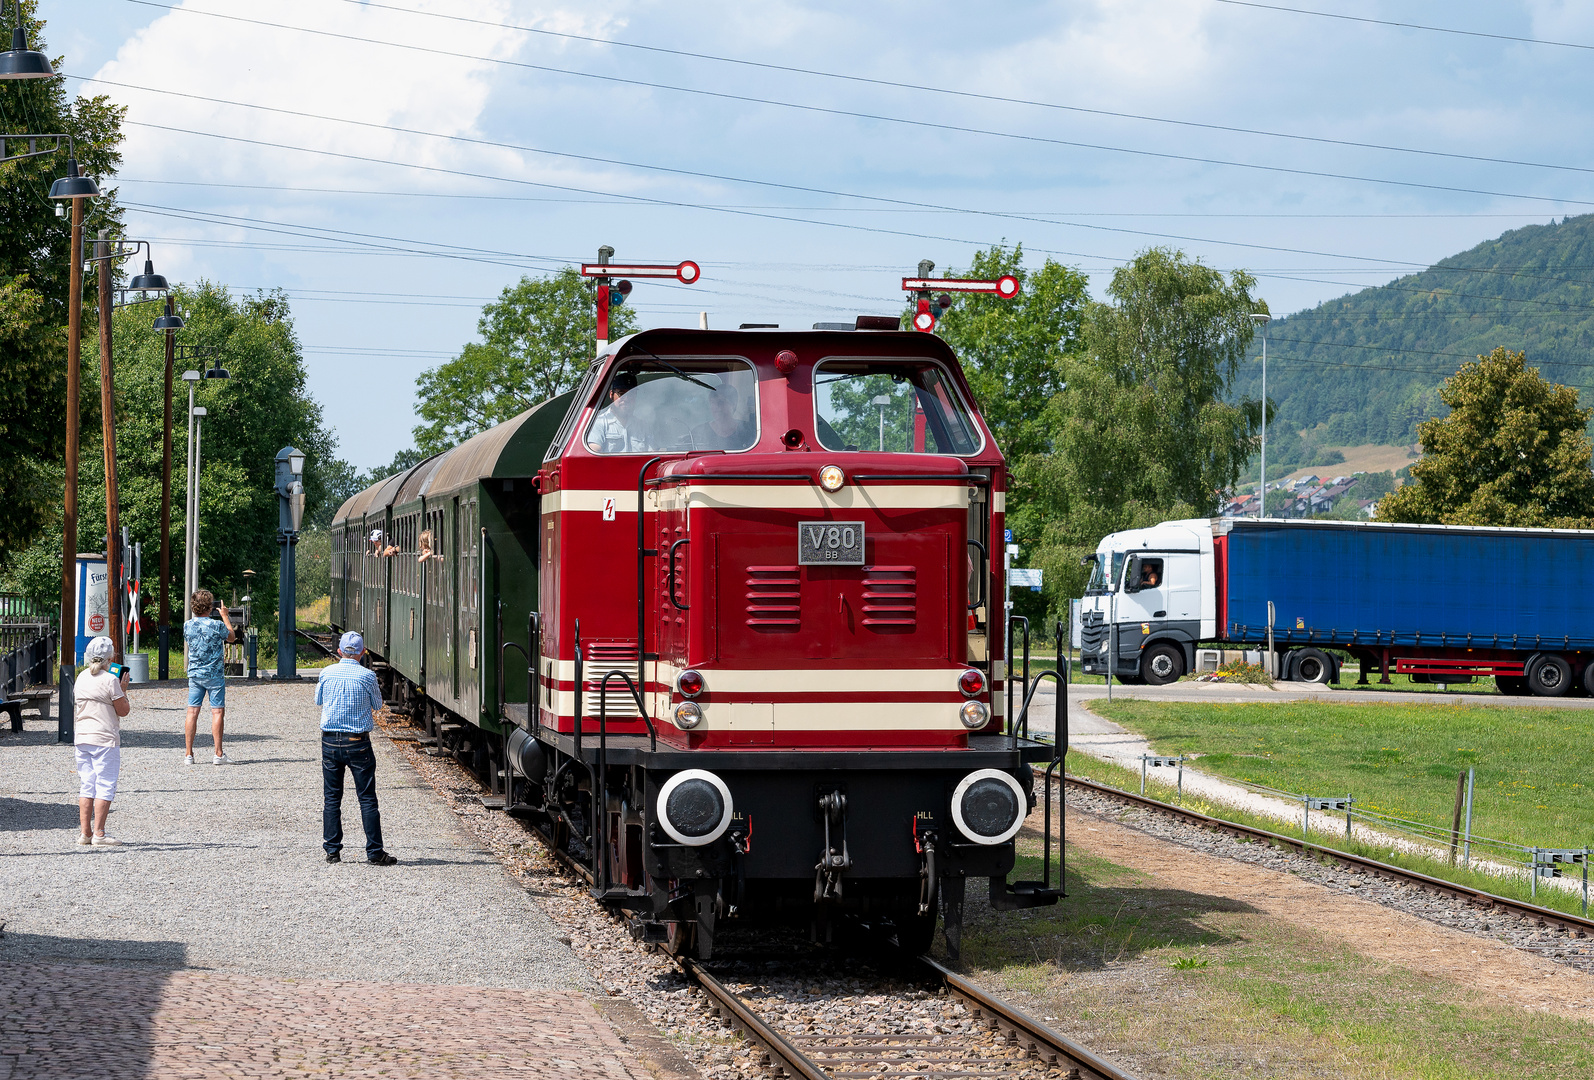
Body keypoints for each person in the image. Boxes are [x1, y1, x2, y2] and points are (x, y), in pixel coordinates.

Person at [315, 631, 397, 865]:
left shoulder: (326, 673)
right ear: (362, 653)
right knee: (367, 798)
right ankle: (374, 852)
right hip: (358, 742)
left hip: (330, 741)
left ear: (339, 651)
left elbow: (318, 700)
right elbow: (378, 705)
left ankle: (332, 850)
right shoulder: (367, 676)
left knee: (331, 798)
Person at [74, 636, 130, 847]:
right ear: (110, 658)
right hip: (104, 739)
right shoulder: (110, 680)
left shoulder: (81, 677)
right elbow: (123, 711)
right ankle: (99, 833)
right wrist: (123, 690)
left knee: (87, 784)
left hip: (82, 737)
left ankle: (85, 833)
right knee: (105, 784)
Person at [183, 589, 236, 766]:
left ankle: (189, 754)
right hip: (214, 674)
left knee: (192, 712)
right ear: (210, 607)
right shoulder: (216, 625)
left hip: (195, 674)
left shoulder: (187, 625)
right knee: (217, 712)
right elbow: (231, 637)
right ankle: (218, 754)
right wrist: (225, 616)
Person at [586, 371, 650, 453]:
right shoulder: (599, 423)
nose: (626, 398)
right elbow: (594, 453)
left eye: (631, 394)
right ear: (611, 394)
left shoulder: (643, 426)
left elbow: (653, 454)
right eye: (621, 393)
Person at [690, 381, 756, 450]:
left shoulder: (749, 431)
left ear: (733, 404)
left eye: (721, 402)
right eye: (712, 402)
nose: (716, 407)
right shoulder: (698, 432)